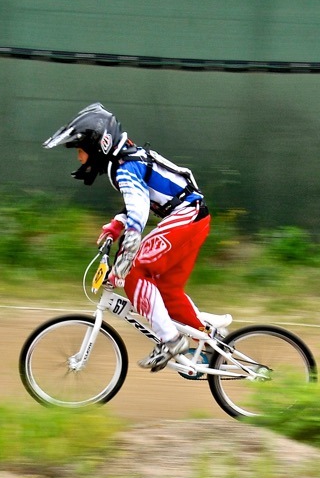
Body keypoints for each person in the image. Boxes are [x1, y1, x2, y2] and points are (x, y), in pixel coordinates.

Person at [43, 102, 222, 372]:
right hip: (194, 216)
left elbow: (138, 216)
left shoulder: (124, 168)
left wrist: (122, 264)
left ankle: (171, 341)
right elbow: (138, 201)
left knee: (136, 271)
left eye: (80, 151)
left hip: (187, 217)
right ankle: (208, 343)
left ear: (98, 148)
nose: (79, 158)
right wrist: (116, 225)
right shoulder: (126, 161)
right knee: (167, 291)